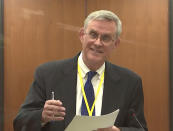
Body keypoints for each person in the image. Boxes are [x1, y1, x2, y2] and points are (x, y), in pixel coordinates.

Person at [13, 10, 148, 131]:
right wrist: (42, 116)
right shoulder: (47, 74)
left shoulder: (130, 82)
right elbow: (20, 123)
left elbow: (140, 128)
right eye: (93, 34)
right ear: (82, 35)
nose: (97, 43)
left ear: (116, 44)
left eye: (106, 38)